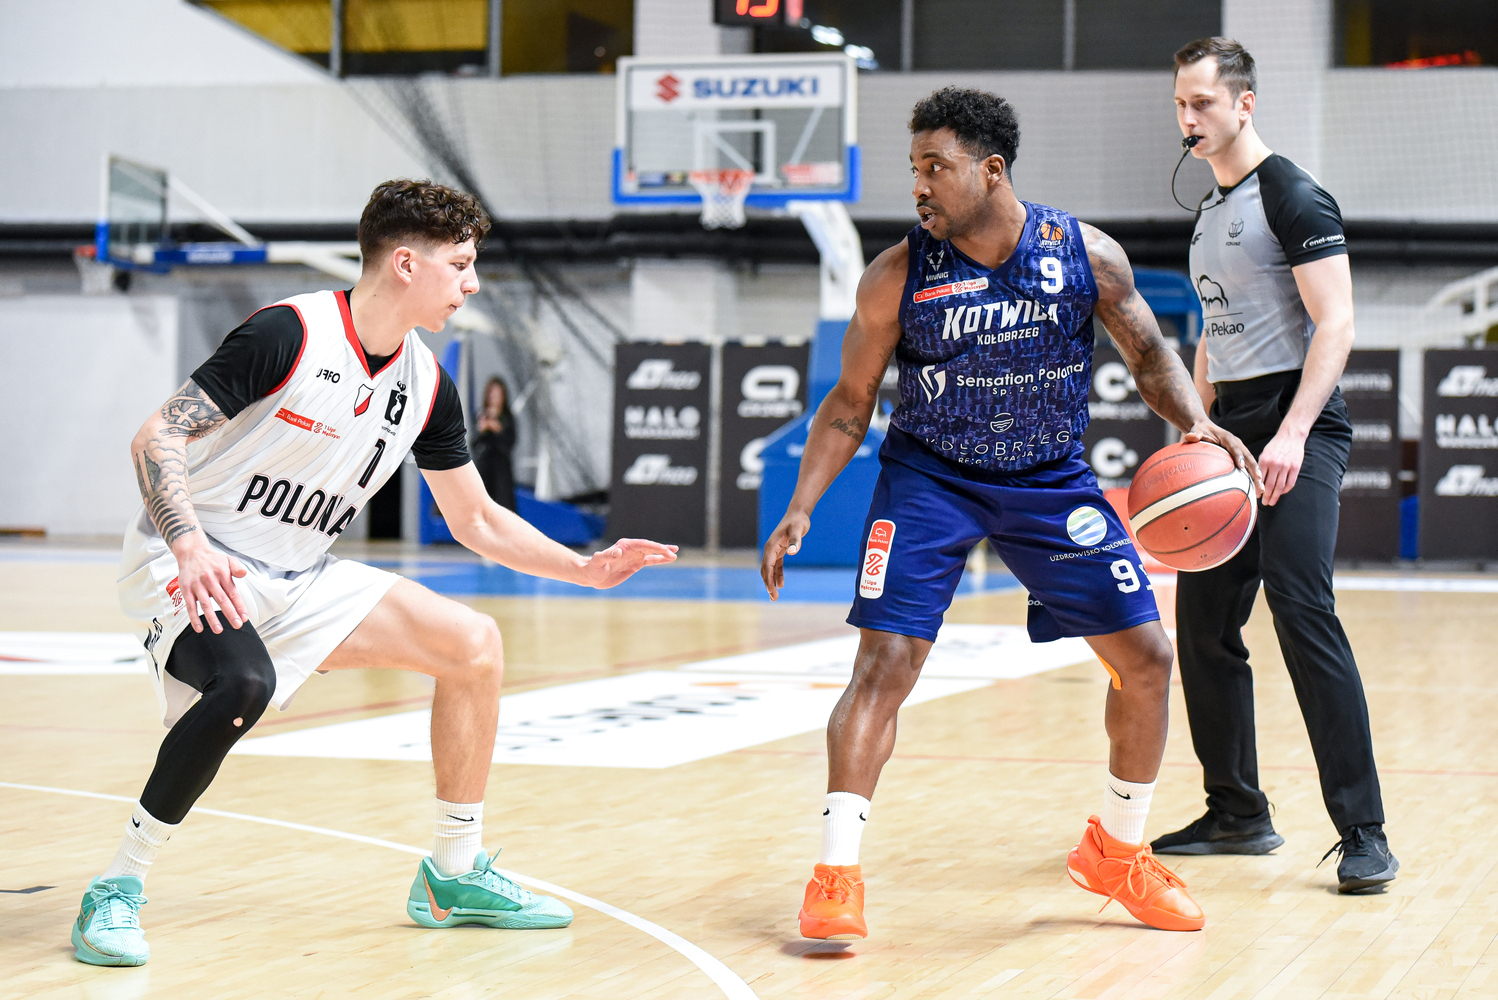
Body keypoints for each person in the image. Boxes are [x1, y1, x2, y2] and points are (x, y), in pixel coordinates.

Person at [72, 179, 677, 967]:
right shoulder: (288, 333)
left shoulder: (427, 386)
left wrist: (583, 568)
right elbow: (157, 437)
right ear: (404, 264)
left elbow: (476, 519)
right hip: (191, 559)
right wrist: (188, 544)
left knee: (473, 646)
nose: (473, 283)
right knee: (243, 686)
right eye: (460, 264)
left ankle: (453, 874)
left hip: (299, 573)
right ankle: (117, 885)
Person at [760, 87, 1261, 939]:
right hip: (930, 478)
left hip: (1048, 481)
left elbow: (1149, 353)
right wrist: (801, 504)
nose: (919, 185)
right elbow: (850, 399)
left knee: (1146, 659)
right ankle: (835, 875)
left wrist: (1196, 422)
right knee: (884, 665)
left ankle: (1118, 852)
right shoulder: (898, 274)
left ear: (991, 170)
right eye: (914, 167)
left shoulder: (1084, 255)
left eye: (936, 167)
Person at [1150, 38, 1398, 893]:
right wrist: (1197, 426)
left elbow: (1337, 322)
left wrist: (1290, 435)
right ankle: (1236, 812)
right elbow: (1213, 336)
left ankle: (1364, 831)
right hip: (1230, 430)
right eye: (1180, 104)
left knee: (1301, 607)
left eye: (1203, 103)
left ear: (1244, 103)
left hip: (1303, 423)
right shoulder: (1208, 212)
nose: (1188, 118)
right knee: (1203, 625)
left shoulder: (1291, 192)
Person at [473, 376, 518, 511]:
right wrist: (482, 429)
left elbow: (510, 442)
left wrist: (497, 428)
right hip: (484, 467)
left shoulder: (507, 417)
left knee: (504, 505)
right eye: (492, 395)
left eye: (498, 395)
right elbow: (473, 443)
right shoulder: (481, 415)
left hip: (501, 469)